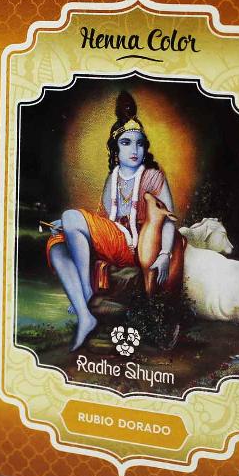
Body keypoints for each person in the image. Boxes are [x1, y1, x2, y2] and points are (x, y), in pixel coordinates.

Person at [46, 91, 177, 351]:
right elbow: (103, 220)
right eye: (126, 143)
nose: (134, 150)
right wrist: (69, 227)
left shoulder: (153, 176)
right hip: (113, 240)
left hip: (136, 247)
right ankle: (85, 316)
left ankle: (86, 292)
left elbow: (169, 219)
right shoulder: (113, 177)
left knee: (71, 216)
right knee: (57, 244)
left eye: (140, 144)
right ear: (115, 150)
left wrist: (164, 254)